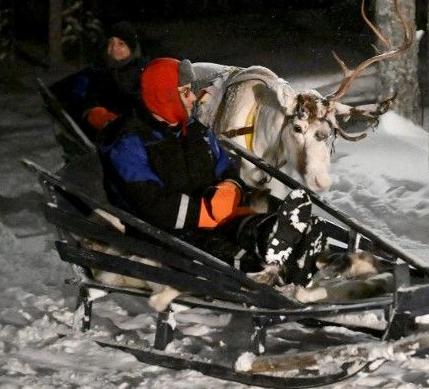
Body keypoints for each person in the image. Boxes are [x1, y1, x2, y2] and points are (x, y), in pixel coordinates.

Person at [101, 57, 325, 286]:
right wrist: (204, 211)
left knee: (246, 225)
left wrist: (230, 186)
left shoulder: (194, 130)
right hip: (165, 232)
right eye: (185, 92)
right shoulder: (128, 143)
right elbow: (150, 205)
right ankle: (275, 267)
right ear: (164, 95)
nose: (193, 98)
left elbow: (225, 166)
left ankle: (277, 237)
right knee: (226, 250)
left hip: (212, 216)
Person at [50, 21, 149, 138]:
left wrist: (115, 121)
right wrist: (88, 111)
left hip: (124, 139)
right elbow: (67, 91)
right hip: (92, 135)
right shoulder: (100, 67)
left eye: (121, 44)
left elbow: (142, 112)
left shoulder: (142, 74)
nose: (113, 48)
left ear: (132, 49)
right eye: (111, 43)